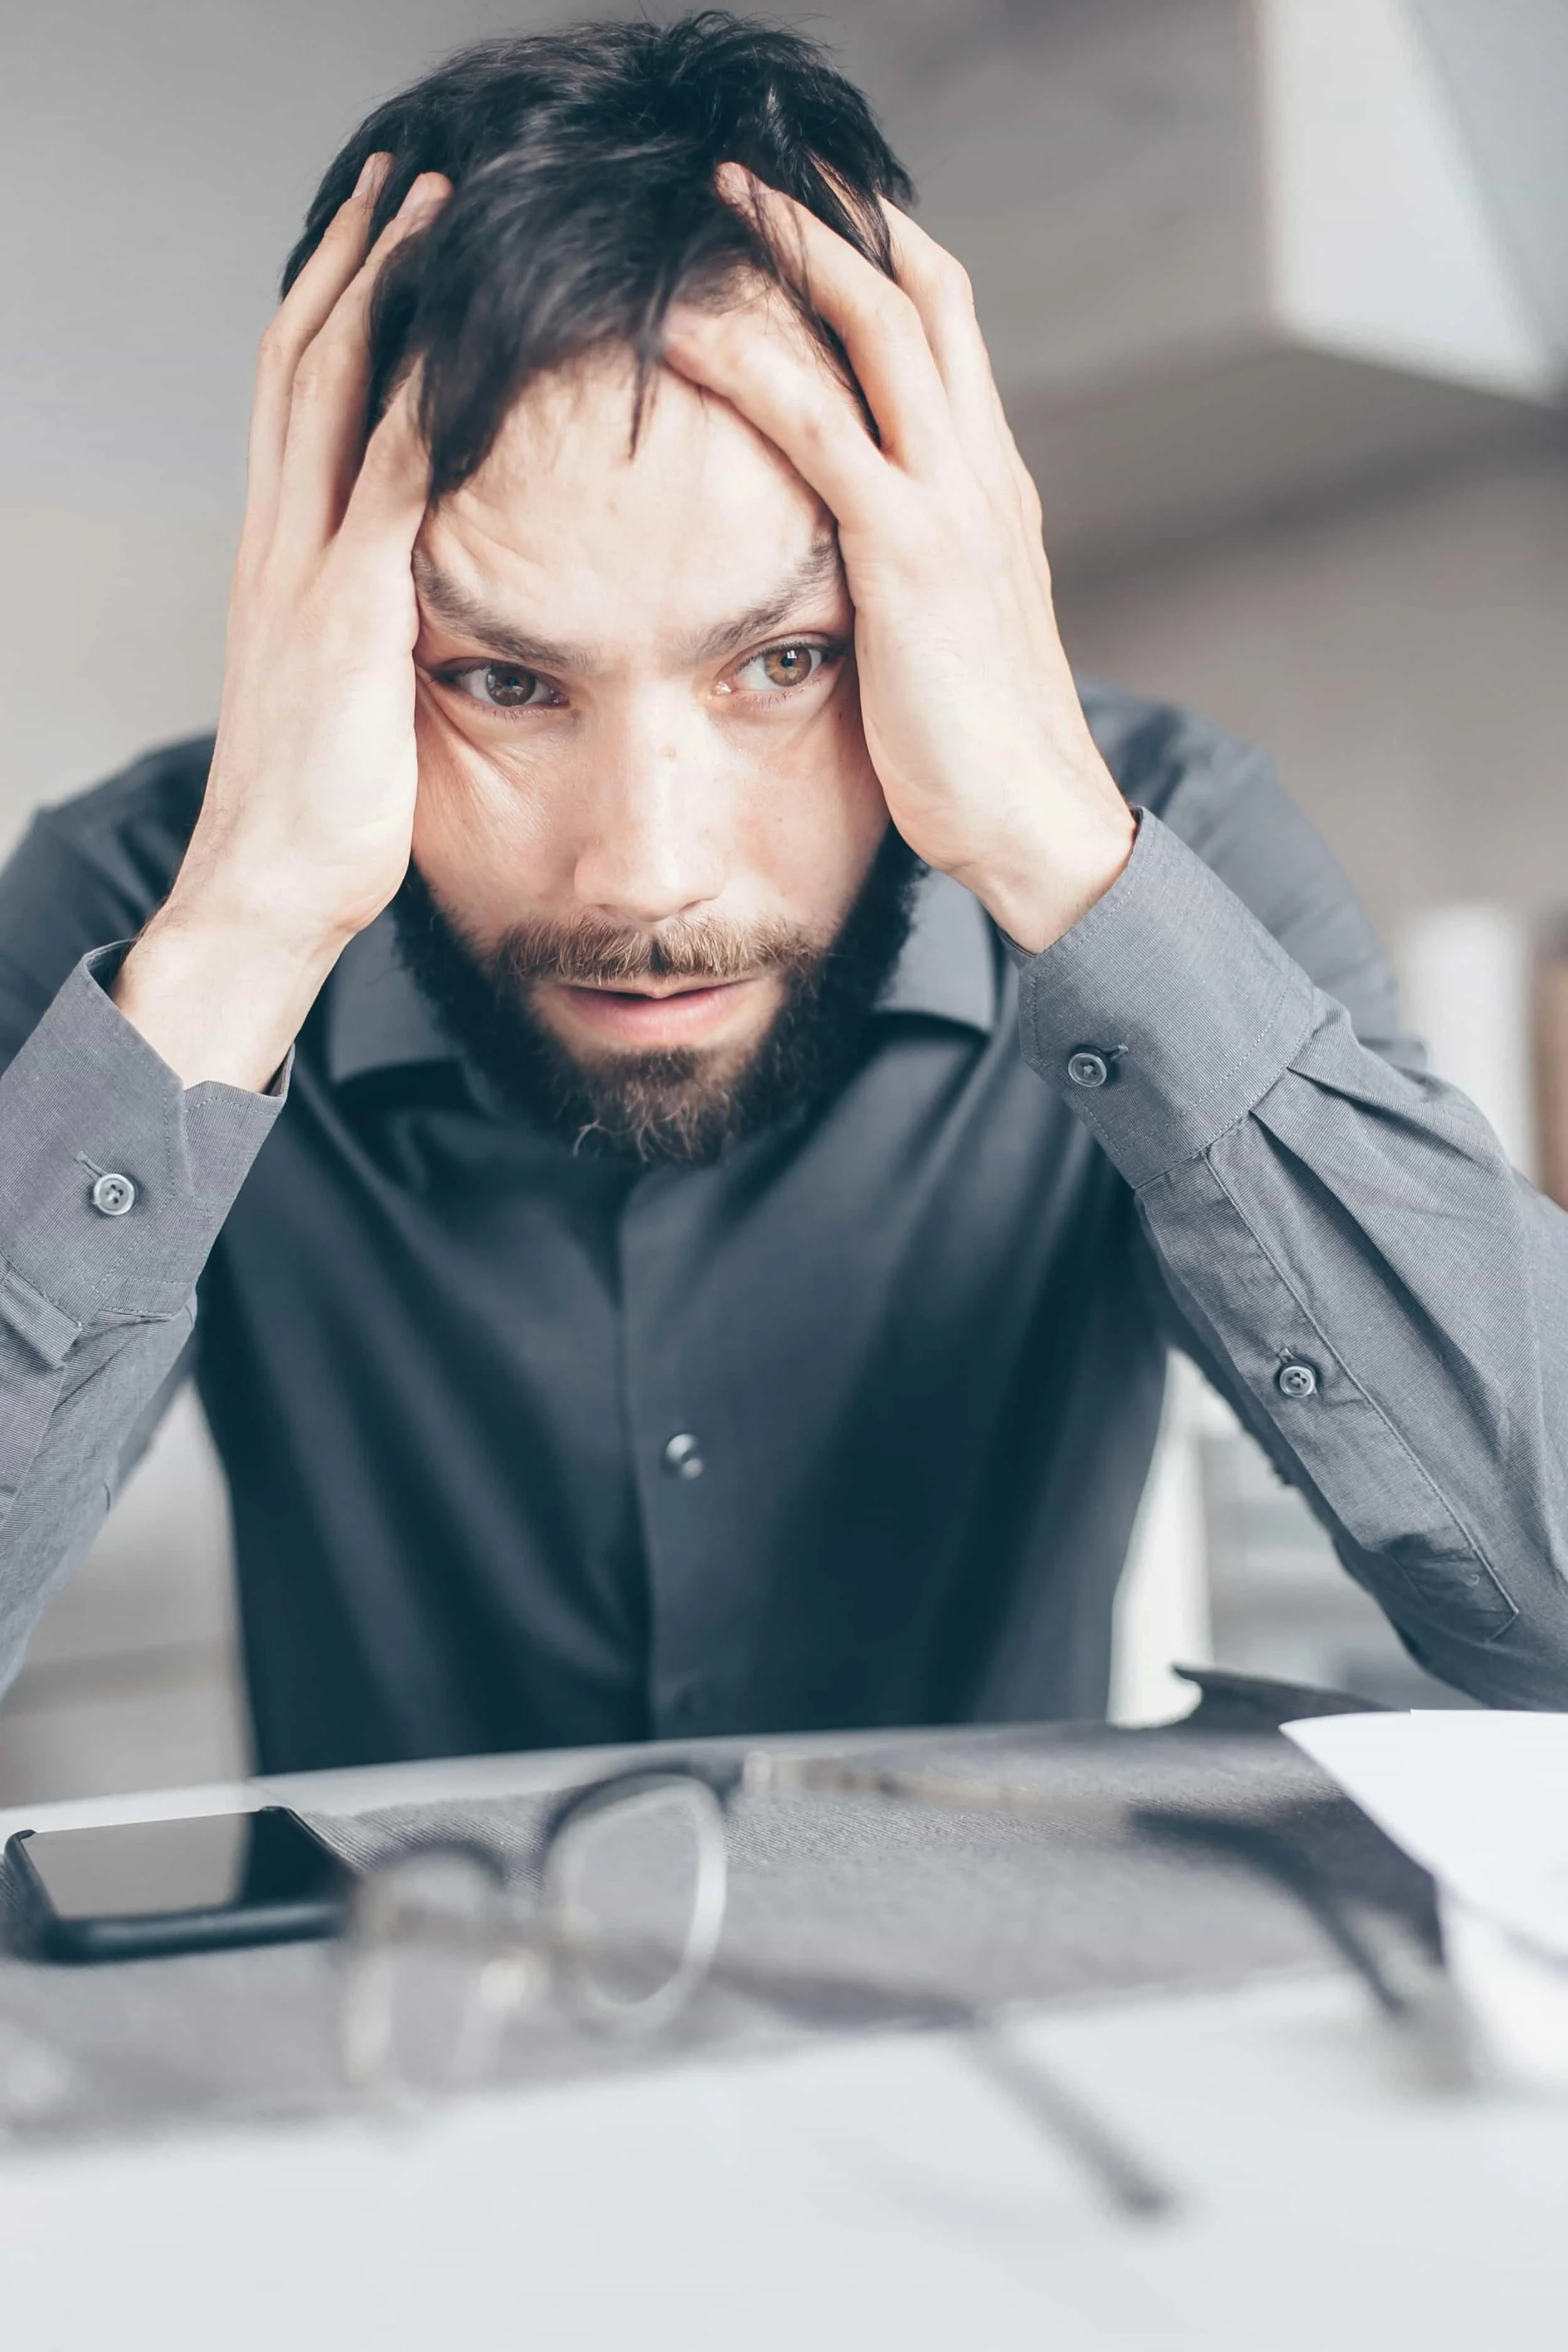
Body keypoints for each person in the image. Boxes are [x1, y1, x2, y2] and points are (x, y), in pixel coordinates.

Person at [1, 16, 1565, 1776]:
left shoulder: (1167, 838)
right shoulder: (144, 910)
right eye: (503, 680)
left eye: (782, 660)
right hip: (397, 2027)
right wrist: (241, 942)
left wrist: (1057, 845)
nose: (648, 869)